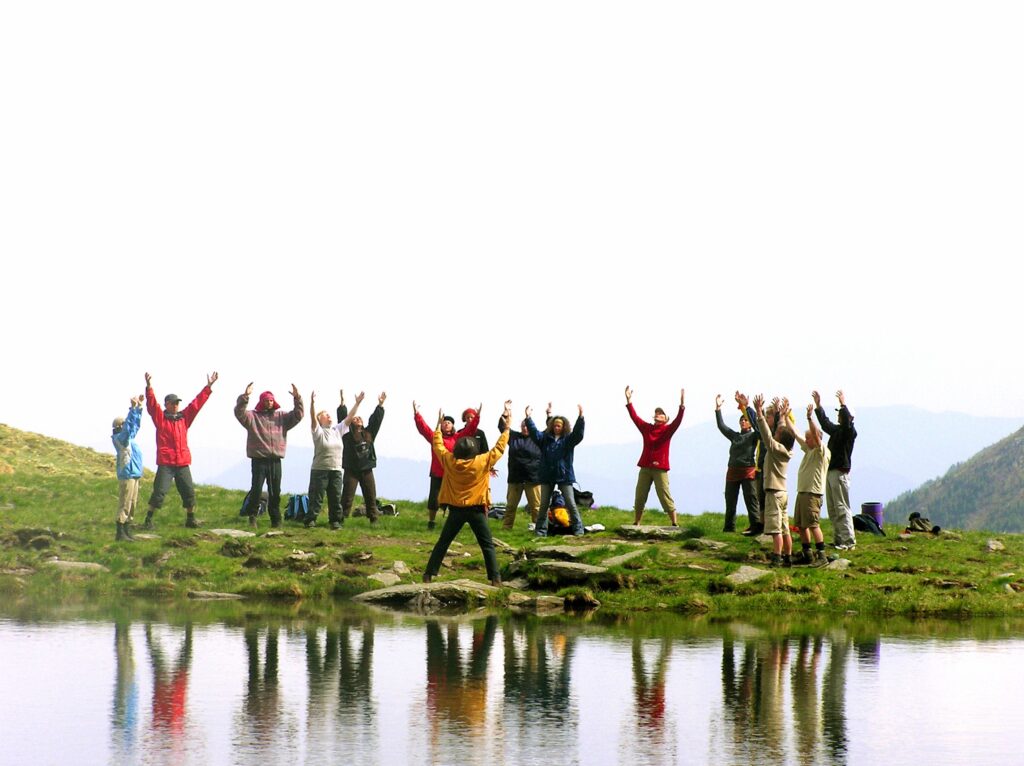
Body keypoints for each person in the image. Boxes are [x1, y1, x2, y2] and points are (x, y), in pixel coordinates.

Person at [423, 402, 511, 586]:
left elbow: (438, 445)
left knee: (443, 543)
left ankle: (428, 575)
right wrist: (507, 429)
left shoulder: (449, 460)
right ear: (473, 451)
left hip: (456, 510)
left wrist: (438, 426)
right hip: (477, 510)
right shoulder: (482, 461)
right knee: (487, 545)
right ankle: (495, 579)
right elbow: (499, 448)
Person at [143, 371, 217, 529]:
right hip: (166, 463)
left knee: (189, 492)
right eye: (173, 402)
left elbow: (197, 404)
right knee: (159, 492)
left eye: (177, 402)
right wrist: (149, 387)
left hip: (182, 462)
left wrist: (208, 386)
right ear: (167, 405)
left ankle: (190, 519)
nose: (176, 405)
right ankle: (148, 519)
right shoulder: (160, 419)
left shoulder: (184, 418)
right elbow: (151, 405)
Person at [235, 382, 304, 528]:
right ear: (261, 401)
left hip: (275, 460)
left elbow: (298, 415)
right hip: (259, 460)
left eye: (271, 400)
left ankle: (276, 519)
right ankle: (252, 516)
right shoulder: (252, 417)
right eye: (267, 400)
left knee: (275, 492)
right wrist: (245, 396)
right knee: (256, 490)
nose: (269, 403)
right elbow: (239, 413)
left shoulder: (282, 416)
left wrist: (297, 398)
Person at [413, 402, 480, 529]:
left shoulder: (458, 437)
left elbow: (470, 429)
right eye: (444, 422)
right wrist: (417, 414)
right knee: (434, 500)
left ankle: (453, 523)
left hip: (452, 473)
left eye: (449, 422)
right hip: (437, 473)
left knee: (454, 500)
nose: (446, 423)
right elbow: (423, 428)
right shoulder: (435, 437)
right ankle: (431, 522)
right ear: (440, 425)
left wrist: (477, 417)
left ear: (453, 426)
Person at [625, 386, 684, 526]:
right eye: (656, 413)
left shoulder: (667, 430)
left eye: (661, 413)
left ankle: (674, 523)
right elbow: (635, 418)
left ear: (665, 419)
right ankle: (637, 522)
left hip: (660, 468)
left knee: (664, 495)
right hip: (645, 467)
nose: (657, 414)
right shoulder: (647, 428)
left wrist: (681, 406)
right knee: (640, 495)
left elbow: (677, 422)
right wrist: (629, 401)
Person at [525, 403, 586, 537]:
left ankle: (578, 529)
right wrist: (528, 418)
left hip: (564, 476)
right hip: (547, 476)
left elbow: (578, 434)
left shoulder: (568, 440)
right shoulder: (544, 439)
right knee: (544, 505)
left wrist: (581, 418)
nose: (556, 427)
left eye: (559, 425)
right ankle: (541, 531)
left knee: (570, 503)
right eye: (554, 425)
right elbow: (534, 433)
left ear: (564, 427)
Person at [306, 390, 363, 529]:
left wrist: (357, 403)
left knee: (335, 498)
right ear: (320, 420)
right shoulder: (318, 431)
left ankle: (335, 521)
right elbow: (312, 419)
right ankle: (310, 520)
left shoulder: (337, 430)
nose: (329, 415)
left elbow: (349, 418)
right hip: (320, 469)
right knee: (316, 498)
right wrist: (312, 404)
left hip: (336, 470)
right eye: (325, 415)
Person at [784, 403, 831, 566]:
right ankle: (807, 554)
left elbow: (816, 437)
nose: (806, 439)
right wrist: (785, 416)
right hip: (803, 492)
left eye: (808, 437)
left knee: (812, 524)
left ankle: (822, 556)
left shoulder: (821, 451)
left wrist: (810, 418)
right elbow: (796, 434)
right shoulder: (809, 449)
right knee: (802, 525)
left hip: (813, 493)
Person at [753, 395, 795, 567]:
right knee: (785, 528)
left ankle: (776, 559)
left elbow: (766, 435)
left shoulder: (776, 449)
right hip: (783, 492)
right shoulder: (787, 450)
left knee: (776, 530)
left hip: (773, 492)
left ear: (779, 439)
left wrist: (759, 413)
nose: (775, 433)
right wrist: (782, 416)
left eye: (777, 433)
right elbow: (782, 430)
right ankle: (788, 558)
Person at [813, 389, 858, 550]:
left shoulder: (849, 432)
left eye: (841, 414)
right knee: (833, 508)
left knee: (841, 507)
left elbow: (846, 422)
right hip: (832, 472)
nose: (838, 415)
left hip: (840, 473)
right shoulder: (838, 430)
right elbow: (825, 424)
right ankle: (839, 539)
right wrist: (818, 406)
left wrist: (843, 403)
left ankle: (848, 541)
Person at [716, 392, 761, 534]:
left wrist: (746, 408)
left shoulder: (754, 435)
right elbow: (722, 426)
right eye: (741, 420)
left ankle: (755, 526)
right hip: (732, 471)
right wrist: (718, 409)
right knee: (730, 501)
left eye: (745, 420)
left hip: (748, 471)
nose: (743, 422)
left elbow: (759, 427)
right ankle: (729, 528)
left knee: (751, 500)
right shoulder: (735, 436)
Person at [341, 392, 386, 523]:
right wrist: (342, 405)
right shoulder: (347, 435)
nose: (358, 419)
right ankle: (341, 518)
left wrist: (380, 405)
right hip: (351, 470)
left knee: (371, 496)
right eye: (355, 418)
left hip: (367, 469)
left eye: (360, 418)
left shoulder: (369, 433)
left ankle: (374, 519)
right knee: (347, 496)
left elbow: (376, 420)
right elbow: (343, 419)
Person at [497, 411, 542, 530]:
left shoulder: (538, 438)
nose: (525, 428)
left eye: (527, 426)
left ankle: (539, 529)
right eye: (523, 426)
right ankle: (506, 528)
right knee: (511, 506)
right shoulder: (513, 437)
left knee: (536, 507)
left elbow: (551, 430)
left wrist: (549, 414)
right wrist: (506, 413)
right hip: (515, 478)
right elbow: (503, 427)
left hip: (533, 478)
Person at [112, 395, 144, 541]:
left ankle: (127, 529)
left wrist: (139, 408)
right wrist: (132, 409)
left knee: (132, 503)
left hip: (134, 473)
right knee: (125, 502)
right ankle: (120, 531)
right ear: (120, 426)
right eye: (124, 424)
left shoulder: (127, 437)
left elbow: (134, 426)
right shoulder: (121, 439)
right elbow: (129, 426)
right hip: (127, 474)